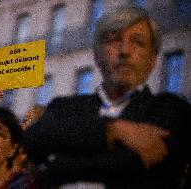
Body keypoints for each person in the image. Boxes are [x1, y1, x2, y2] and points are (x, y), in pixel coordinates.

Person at [20, 6, 191, 189]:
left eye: (138, 42)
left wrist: (56, 163)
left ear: (152, 60)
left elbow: (145, 168)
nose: (125, 50)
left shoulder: (171, 110)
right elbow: (32, 141)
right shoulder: (64, 106)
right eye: (113, 40)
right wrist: (111, 130)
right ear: (96, 55)